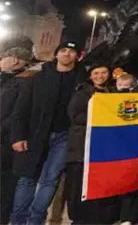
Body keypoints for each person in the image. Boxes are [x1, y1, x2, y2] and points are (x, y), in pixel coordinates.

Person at [11, 41, 86, 225]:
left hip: (64, 136)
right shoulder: (38, 78)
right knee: (27, 179)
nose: (67, 54)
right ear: (57, 54)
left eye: (71, 51)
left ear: (77, 55)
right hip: (35, 135)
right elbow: (21, 109)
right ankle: (18, 221)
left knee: (50, 180)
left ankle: (35, 220)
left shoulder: (82, 80)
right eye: (63, 50)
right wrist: (18, 136)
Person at [66, 64, 115, 225]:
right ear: (90, 76)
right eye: (96, 73)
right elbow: (75, 115)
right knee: (79, 184)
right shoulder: (82, 93)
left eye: (104, 72)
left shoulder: (113, 92)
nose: (100, 76)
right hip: (82, 146)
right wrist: (98, 118)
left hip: (103, 147)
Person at [0, 47, 33, 225]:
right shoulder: (7, 80)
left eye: (3, 58)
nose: (0, 61)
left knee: (5, 186)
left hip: (6, 142)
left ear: (14, 61)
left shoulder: (23, 82)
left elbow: (15, 113)